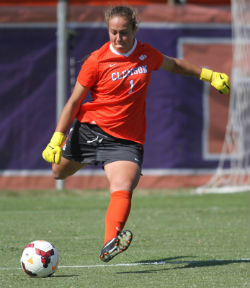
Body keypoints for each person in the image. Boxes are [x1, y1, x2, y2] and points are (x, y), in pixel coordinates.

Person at [42, 5, 230, 262]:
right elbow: (74, 101)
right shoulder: (96, 60)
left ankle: (110, 241)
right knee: (57, 172)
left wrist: (208, 75)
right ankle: (83, 161)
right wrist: (57, 138)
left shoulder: (146, 54)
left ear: (134, 30)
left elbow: (174, 65)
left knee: (123, 186)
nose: (118, 39)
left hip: (126, 140)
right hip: (91, 129)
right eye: (113, 33)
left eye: (124, 33)